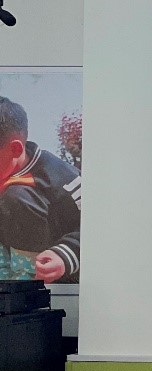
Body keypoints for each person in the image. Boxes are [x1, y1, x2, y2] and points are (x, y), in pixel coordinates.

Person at [0, 96, 81, 284]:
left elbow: (98, 225)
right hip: (7, 255)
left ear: (15, 149)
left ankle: (24, 282)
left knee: (16, 197)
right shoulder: (7, 168)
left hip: (56, 270)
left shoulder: (60, 177)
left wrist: (64, 255)